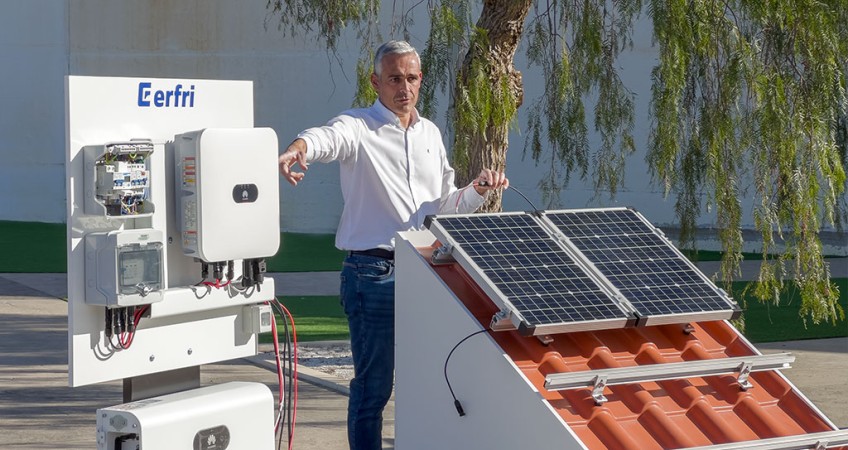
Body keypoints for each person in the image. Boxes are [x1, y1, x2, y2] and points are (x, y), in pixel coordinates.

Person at [278, 40, 508, 450]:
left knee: (436, 382)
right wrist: (299, 148)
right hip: (372, 276)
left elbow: (442, 209)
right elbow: (326, 138)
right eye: (395, 79)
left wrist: (475, 191)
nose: (405, 88)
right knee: (373, 389)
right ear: (376, 82)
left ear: (421, 80)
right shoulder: (358, 126)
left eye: (412, 78)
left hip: (428, 271)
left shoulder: (430, 133)